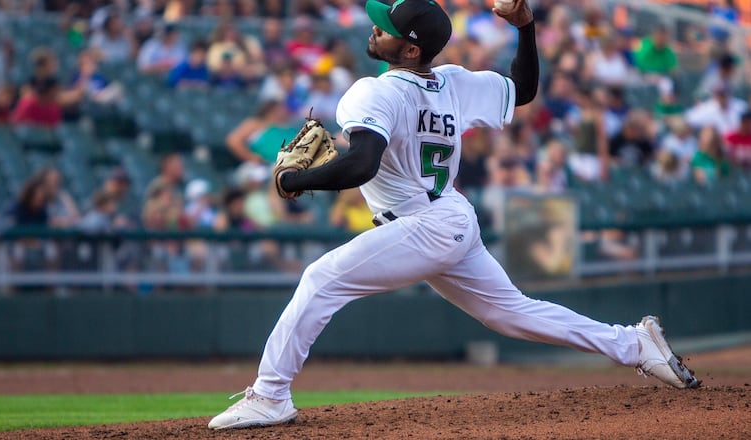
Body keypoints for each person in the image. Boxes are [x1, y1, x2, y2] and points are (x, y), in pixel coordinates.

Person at [208, 0, 699, 431]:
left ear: (412, 49)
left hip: (425, 224)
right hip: (449, 218)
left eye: (387, 26)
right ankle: (635, 345)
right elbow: (522, 90)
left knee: (321, 278)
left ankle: (270, 395)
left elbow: (361, 164)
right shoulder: (455, 83)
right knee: (510, 313)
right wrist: (526, 28)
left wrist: (293, 181)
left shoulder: (372, 91)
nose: (374, 27)